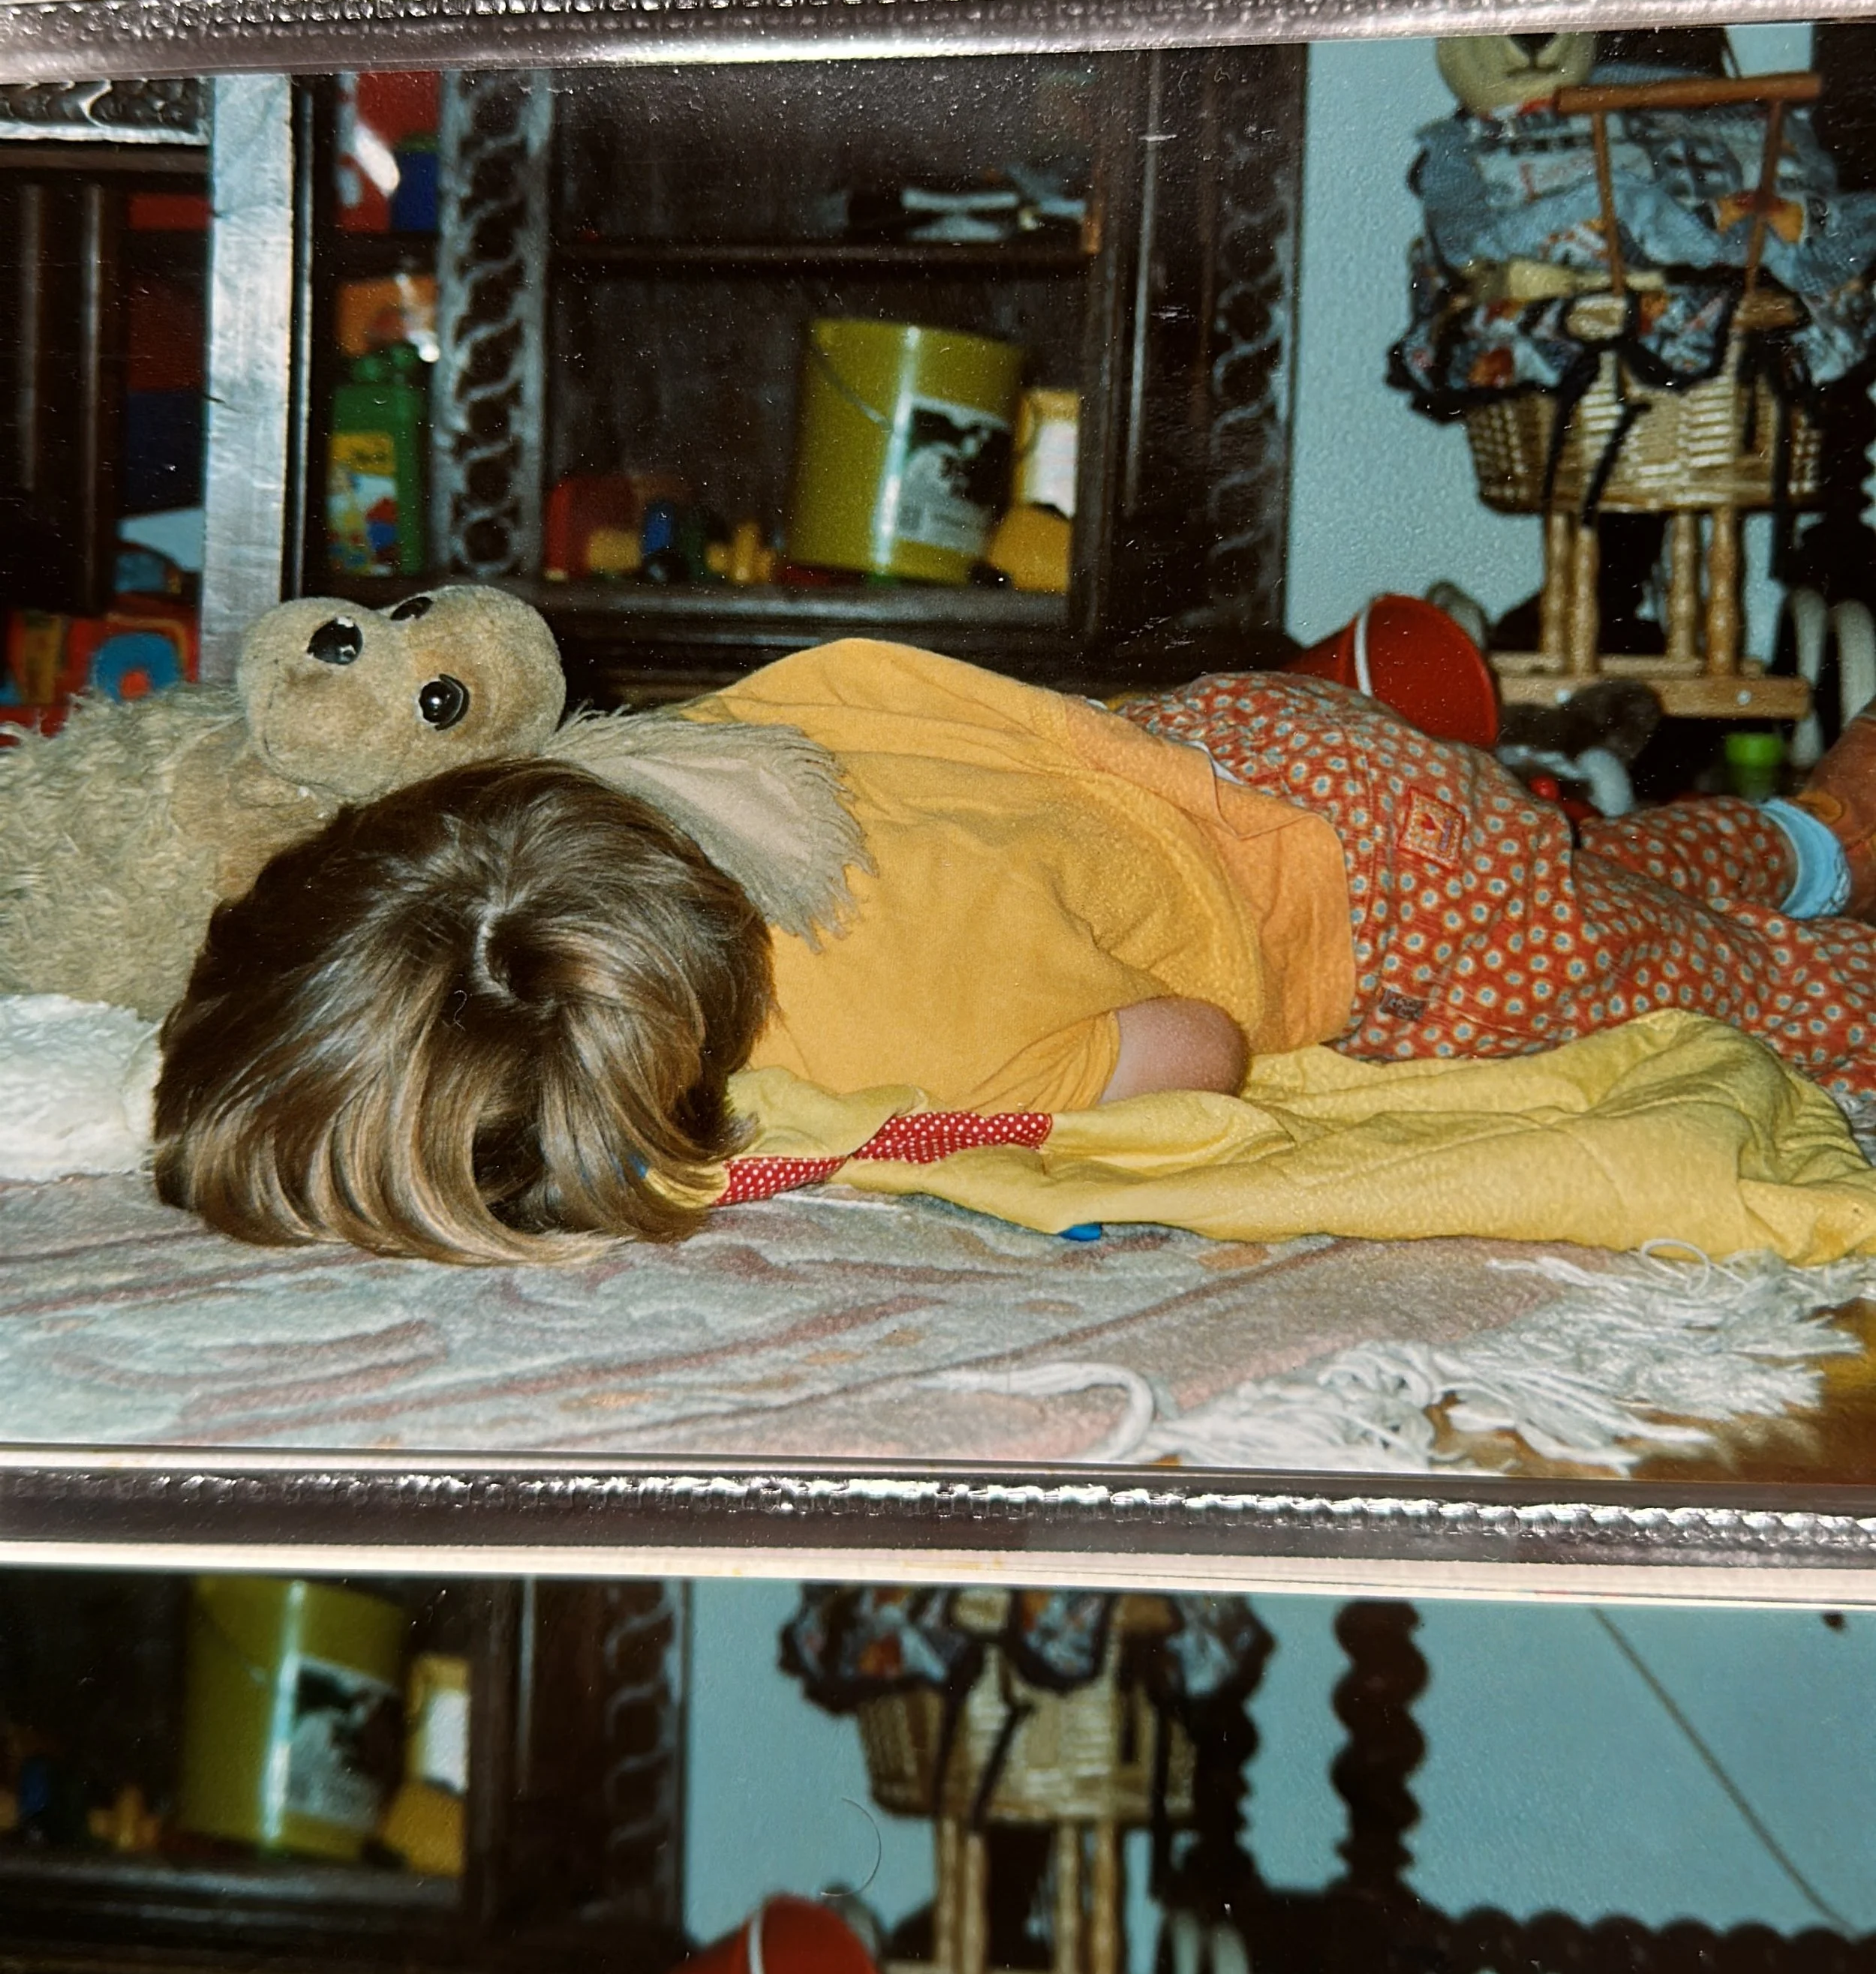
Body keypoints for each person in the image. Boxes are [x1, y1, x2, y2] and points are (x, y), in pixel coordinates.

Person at [151, 636, 1876, 1263]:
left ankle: (1824, 930)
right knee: (1621, 892)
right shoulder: (689, 757)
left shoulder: (882, 1046)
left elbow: (1192, 1048)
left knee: (1735, 1006)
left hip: (1387, 913)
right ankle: (1818, 840)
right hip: (1263, 752)